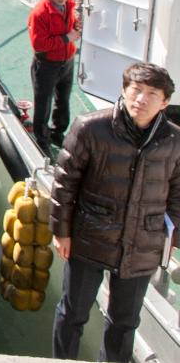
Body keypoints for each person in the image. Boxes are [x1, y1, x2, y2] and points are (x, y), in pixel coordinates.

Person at [51, 62, 180, 361]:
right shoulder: (90, 128)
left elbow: (177, 193)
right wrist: (62, 231)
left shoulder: (174, 141)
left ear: (165, 102)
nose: (141, 99)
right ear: (123, 90)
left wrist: (169, 239)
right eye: (135, 90)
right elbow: (64, 183)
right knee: (72, 314)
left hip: (142, 245)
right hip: (89, 237)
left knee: (124, 323)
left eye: (151, 93)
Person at [29, 0, 80, 150]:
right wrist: (67, 38)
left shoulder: (70, 5)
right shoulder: (40, 13)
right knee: (43, 105)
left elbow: (72, 24)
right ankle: (42, 141)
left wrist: (76, 26)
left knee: (63, 100)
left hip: (67, 61)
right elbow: (39, 44)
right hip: (47, 65)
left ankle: (58, 133)